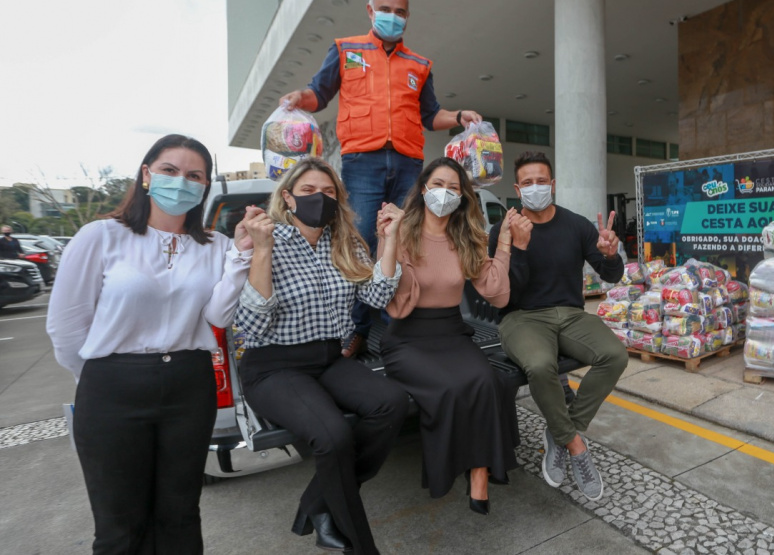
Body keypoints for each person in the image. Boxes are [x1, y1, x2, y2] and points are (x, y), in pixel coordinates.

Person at [46, 134, 257, 554]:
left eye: (194, 175)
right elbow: (66, 327)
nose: (181, 182)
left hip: (188, 384)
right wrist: (101, 379)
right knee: (119, 525)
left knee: (180, 514)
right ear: (147, 174)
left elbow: (218, 316)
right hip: (112, 387)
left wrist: (240, 257)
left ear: (205, 186)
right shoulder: (100, 236)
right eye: (169, 170)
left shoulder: (216, 246)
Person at [279, 0, 483, 359]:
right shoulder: (346, 49)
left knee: (405, 238)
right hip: (362, 160)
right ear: (370, 11)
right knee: (360, 241)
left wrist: (459, 116)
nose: (393, 16)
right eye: (385, 8)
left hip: (408, 161)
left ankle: (399, 323)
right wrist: (300, 97)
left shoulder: (419, 64)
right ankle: (357, 329)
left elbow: (431, 115)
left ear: (407, 16)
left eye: (400, 11)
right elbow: (319, 93)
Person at [234, 157, 408, 555]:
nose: (320, 198)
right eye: (309, 191)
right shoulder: (267, 238)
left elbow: (377, 296)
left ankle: (316, 503)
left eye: (329, 191)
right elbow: (252, 326)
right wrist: (261, 250)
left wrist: (390, 240)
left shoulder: (344, 241)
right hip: (273, 365)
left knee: (392, 403)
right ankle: (360, 547)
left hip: (329, 358)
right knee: (333, 436)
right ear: (288, 197)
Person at [379, 156, 519, 515]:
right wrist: (390, 241)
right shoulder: (400, 232)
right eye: (438, 185)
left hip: (452, 332)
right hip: (407, 337)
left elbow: (496, 293)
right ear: (423, 189)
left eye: (453, 188)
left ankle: (479, 472)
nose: (444, 194)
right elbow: (394, 304)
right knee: (449, 389)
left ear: (463, 196)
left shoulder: (467, 236)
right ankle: (455, 468)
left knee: (486, 381)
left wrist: (504, 242)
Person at [487, 151, 628, 502]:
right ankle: (576, 445)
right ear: (517, 189)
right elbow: (503, 294)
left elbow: (611, 275)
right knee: (540, 365)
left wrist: (611, 255)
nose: (535, 188)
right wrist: (519, 247)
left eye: (541, 181)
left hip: (570, 314)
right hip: (521, 317)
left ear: (552, 184)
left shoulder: (576, 225)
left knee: (615, 355)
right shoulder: (504, 230)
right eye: (527, 182)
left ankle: (560, 432)